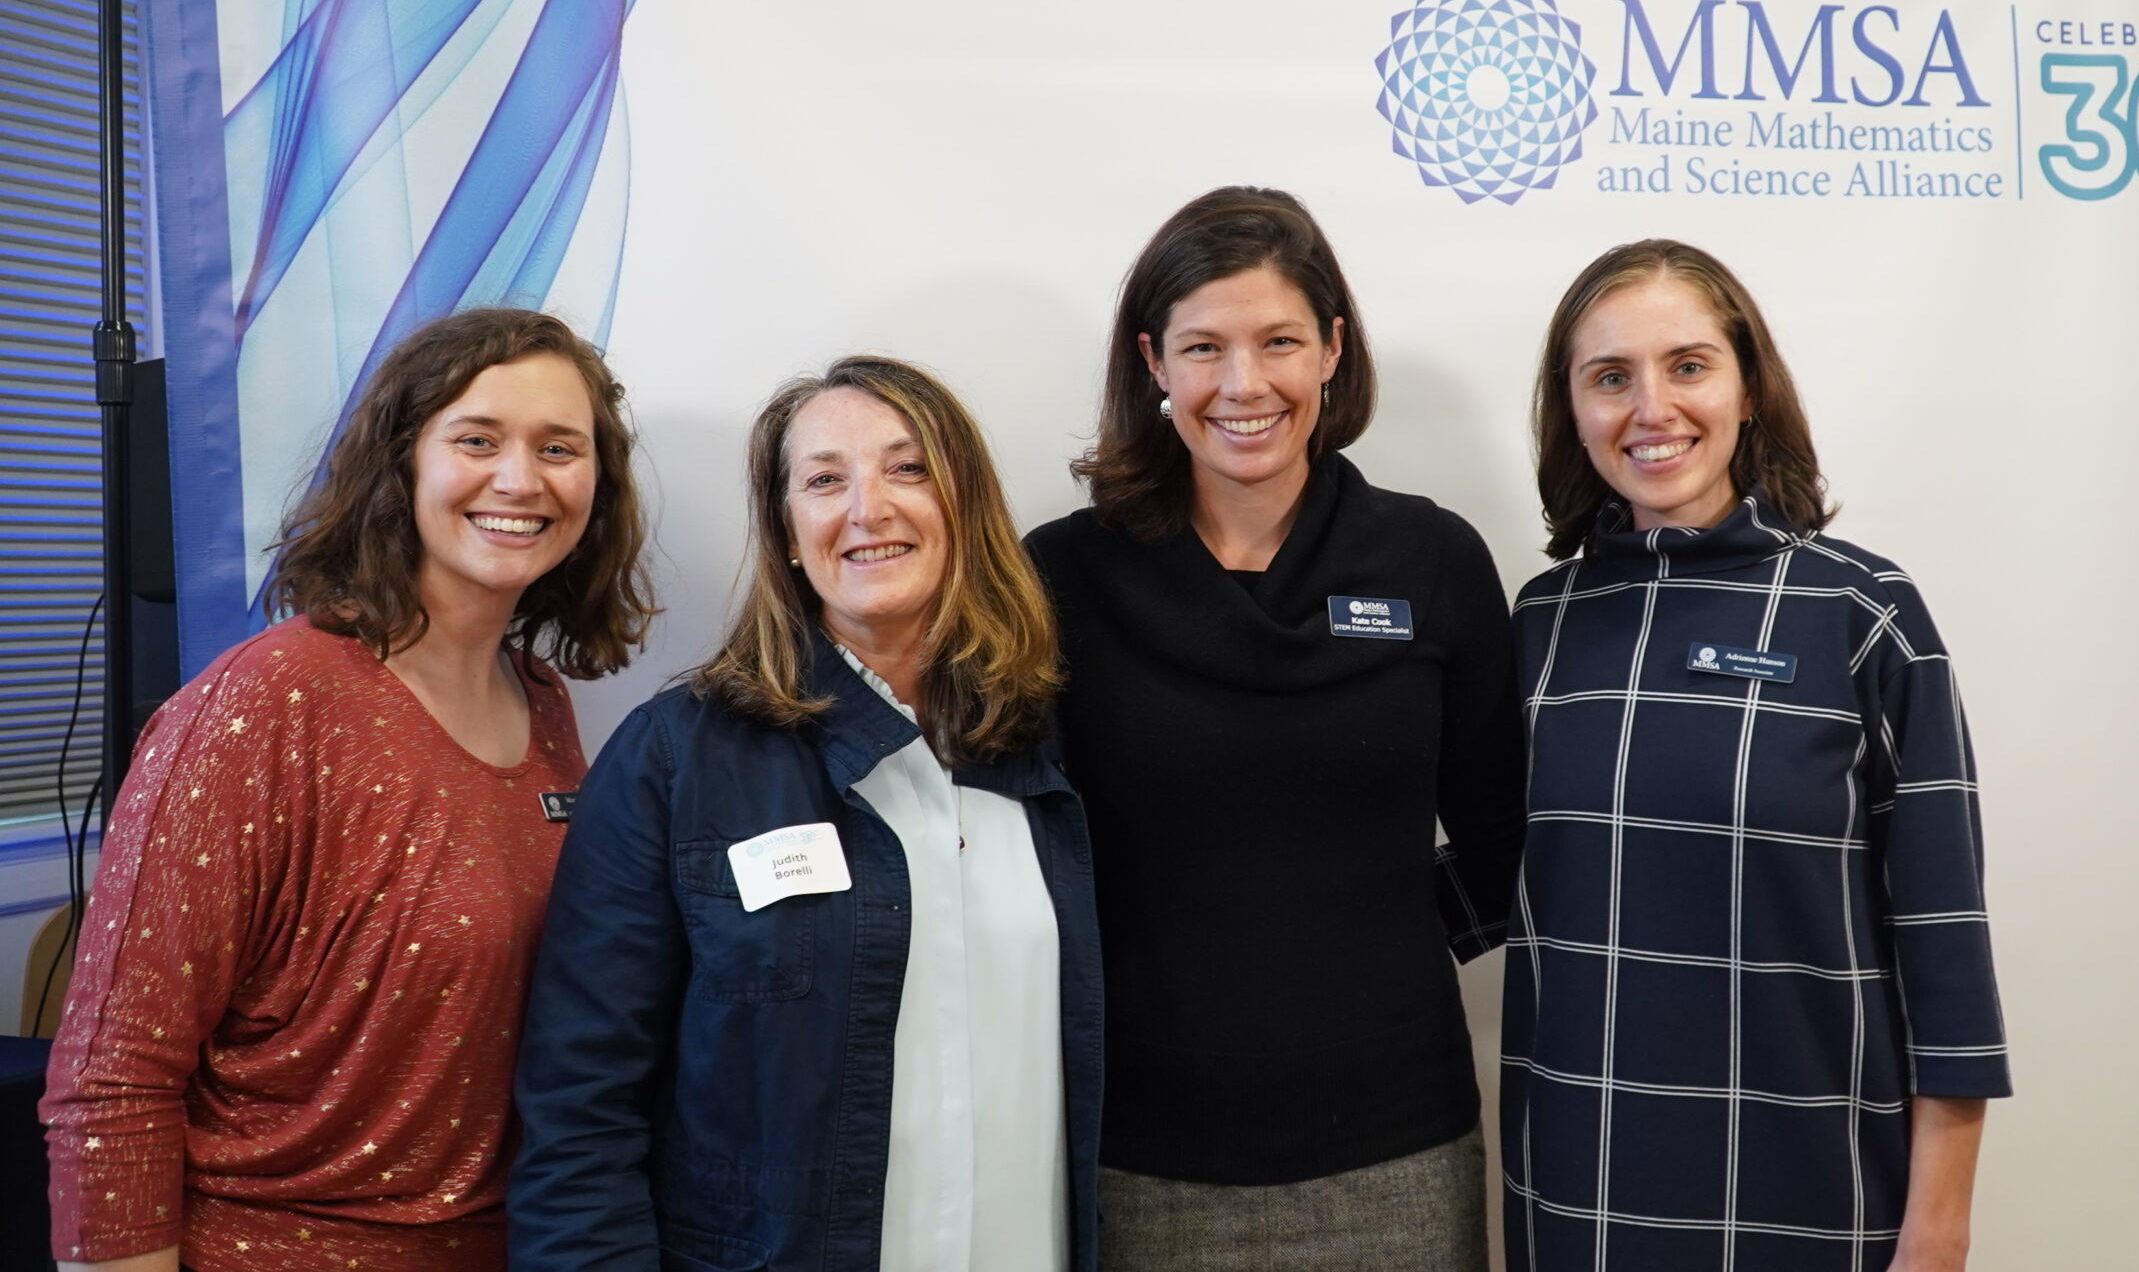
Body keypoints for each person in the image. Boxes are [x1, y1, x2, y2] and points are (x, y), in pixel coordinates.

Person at [41, 309, 656, 1271]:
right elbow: (113, 1078)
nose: (520, 479)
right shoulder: (266, 705)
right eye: (478, 439)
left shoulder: (544, 707)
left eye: (560, 448)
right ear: (401, 463)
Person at [1023, 186, 1525, 1272]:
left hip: (1401, 1150)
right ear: (1152, 361)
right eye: (1203, 346)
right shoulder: (1058, 576)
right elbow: (1012, 870)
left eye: (1280, 341)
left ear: (1334, 349)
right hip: (1142, 1157)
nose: (1243, 385)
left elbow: (1509, 841)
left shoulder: (1431, 560)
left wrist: (1375, 935)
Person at [507, 355, 1098, 1272]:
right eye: (825, 480)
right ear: (787, 530)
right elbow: (580, 1113)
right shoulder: (677, 758)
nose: (868, 508)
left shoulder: (1054, 738)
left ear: (965, 505)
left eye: (909, 469)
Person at [1501, 239, 2011, 1271]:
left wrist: (1939, 1226)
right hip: (1579, 1186)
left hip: (1814, 1188)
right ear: (1571, 409)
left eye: (1687, 364)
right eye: (1610, 377)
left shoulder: (1863, 614)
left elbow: (1944, 952)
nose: (1651, 407)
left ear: (1746, 388)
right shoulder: (1540, 625)